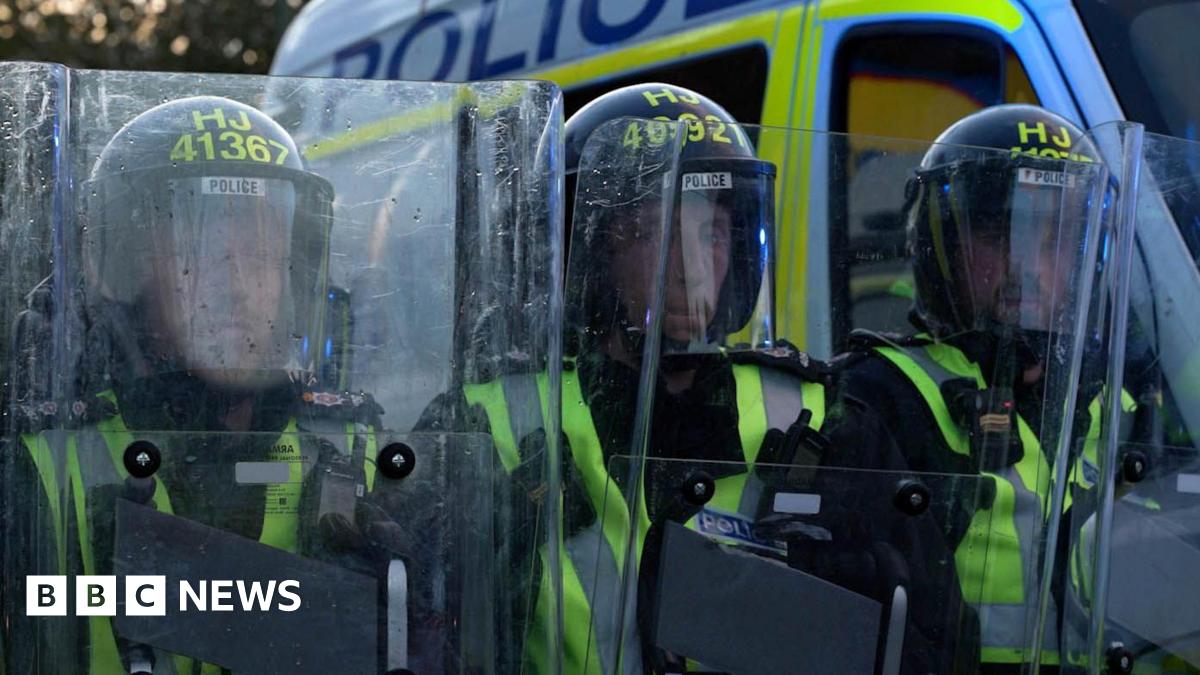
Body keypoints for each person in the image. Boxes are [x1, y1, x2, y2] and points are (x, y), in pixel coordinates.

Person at [418, 82, 978, 674]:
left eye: (711, 235)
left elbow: (939, 642)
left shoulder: (817, 416)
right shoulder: (487, 420)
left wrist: (860, 602)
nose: (691, 271)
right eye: (652, 235)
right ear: (587, 253)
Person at [0, 95, 393, 674]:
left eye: (262, 253)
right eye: (203, 252)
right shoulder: (39, 461)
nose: (238, 285)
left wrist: (418, 610)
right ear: (131, 270)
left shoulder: (357, 448)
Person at [838, 103, 1126, 672]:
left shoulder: (1124, 406)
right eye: (999, 236)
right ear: (938, 246)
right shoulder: (878, 397)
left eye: (1054, 240)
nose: (1027, 269)